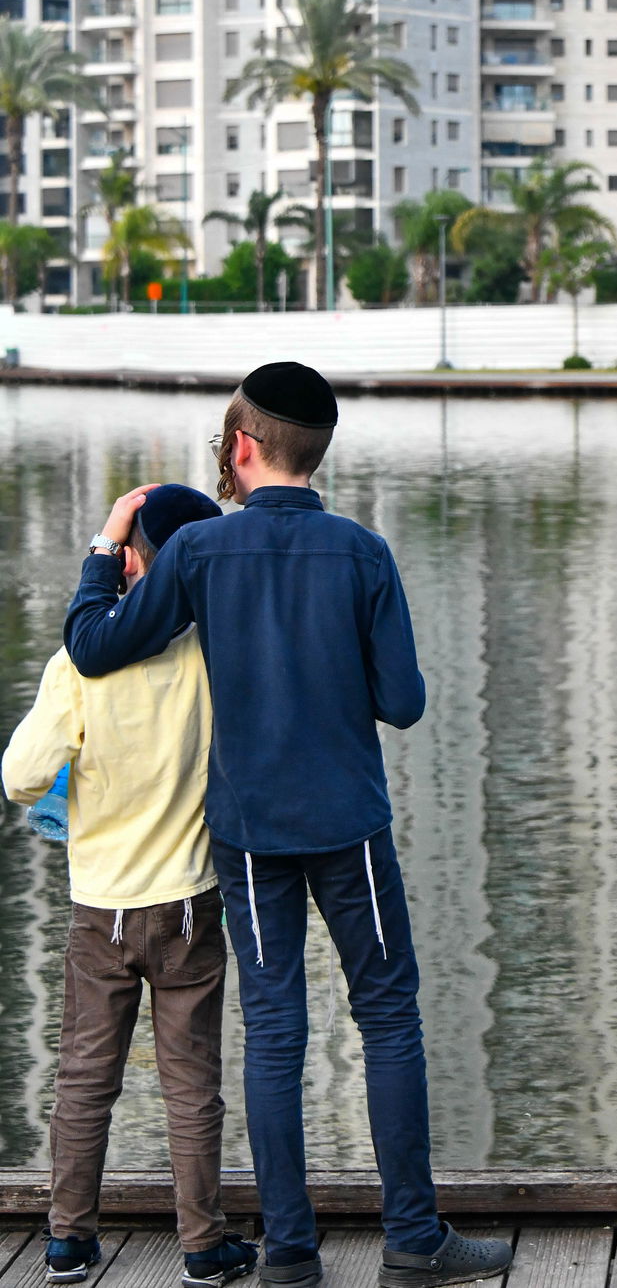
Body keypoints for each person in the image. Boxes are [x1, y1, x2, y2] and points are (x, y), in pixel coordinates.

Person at [64, 363, 512, 1288]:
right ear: (318, 452)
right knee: (386, 1017)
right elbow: (404, 703)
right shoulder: (363, 552)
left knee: (274, 1030)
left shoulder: (197, 552)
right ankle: (414, 1238)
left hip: (249, 832)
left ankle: (291, 1254)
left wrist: (109, 544)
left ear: (240, 447)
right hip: (349, 823)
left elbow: (95, 646)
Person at [2, 483, 257, 1288]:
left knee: (84, 1080)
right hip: (189, 903)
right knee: (193, 1086)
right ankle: (203, 1247)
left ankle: (68, 1242)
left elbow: (20, 777)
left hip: (99, 910)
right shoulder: (215, 655)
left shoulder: (78, 665)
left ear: (130, 561)